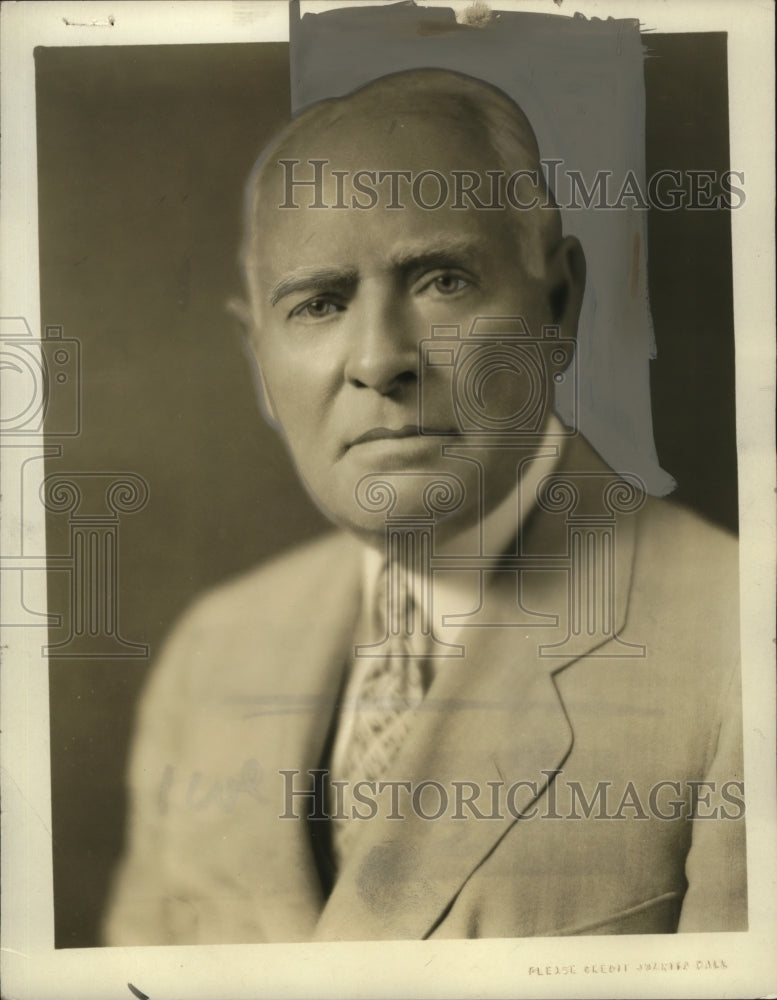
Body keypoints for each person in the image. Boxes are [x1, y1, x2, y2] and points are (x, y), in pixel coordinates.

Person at [103, 69, 746, 944]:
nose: (379, 359)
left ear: (557, 305)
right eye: (319, 304)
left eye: (441, 281)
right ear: (259, 361)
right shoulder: (212, 652)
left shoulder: (741, 648)